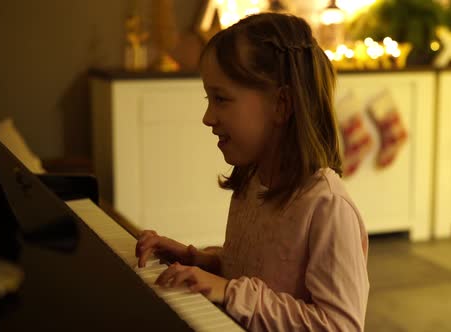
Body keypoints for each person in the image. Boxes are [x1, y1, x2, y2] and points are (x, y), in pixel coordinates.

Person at [135, 12, 369, 331]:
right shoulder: (252, 181)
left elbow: (339, 326)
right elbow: (249, 272)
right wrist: (198, 261)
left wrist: (229, 291)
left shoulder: (327, 206)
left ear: (281, 104)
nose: (207, 117)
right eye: (209, 98)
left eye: (221, 99)